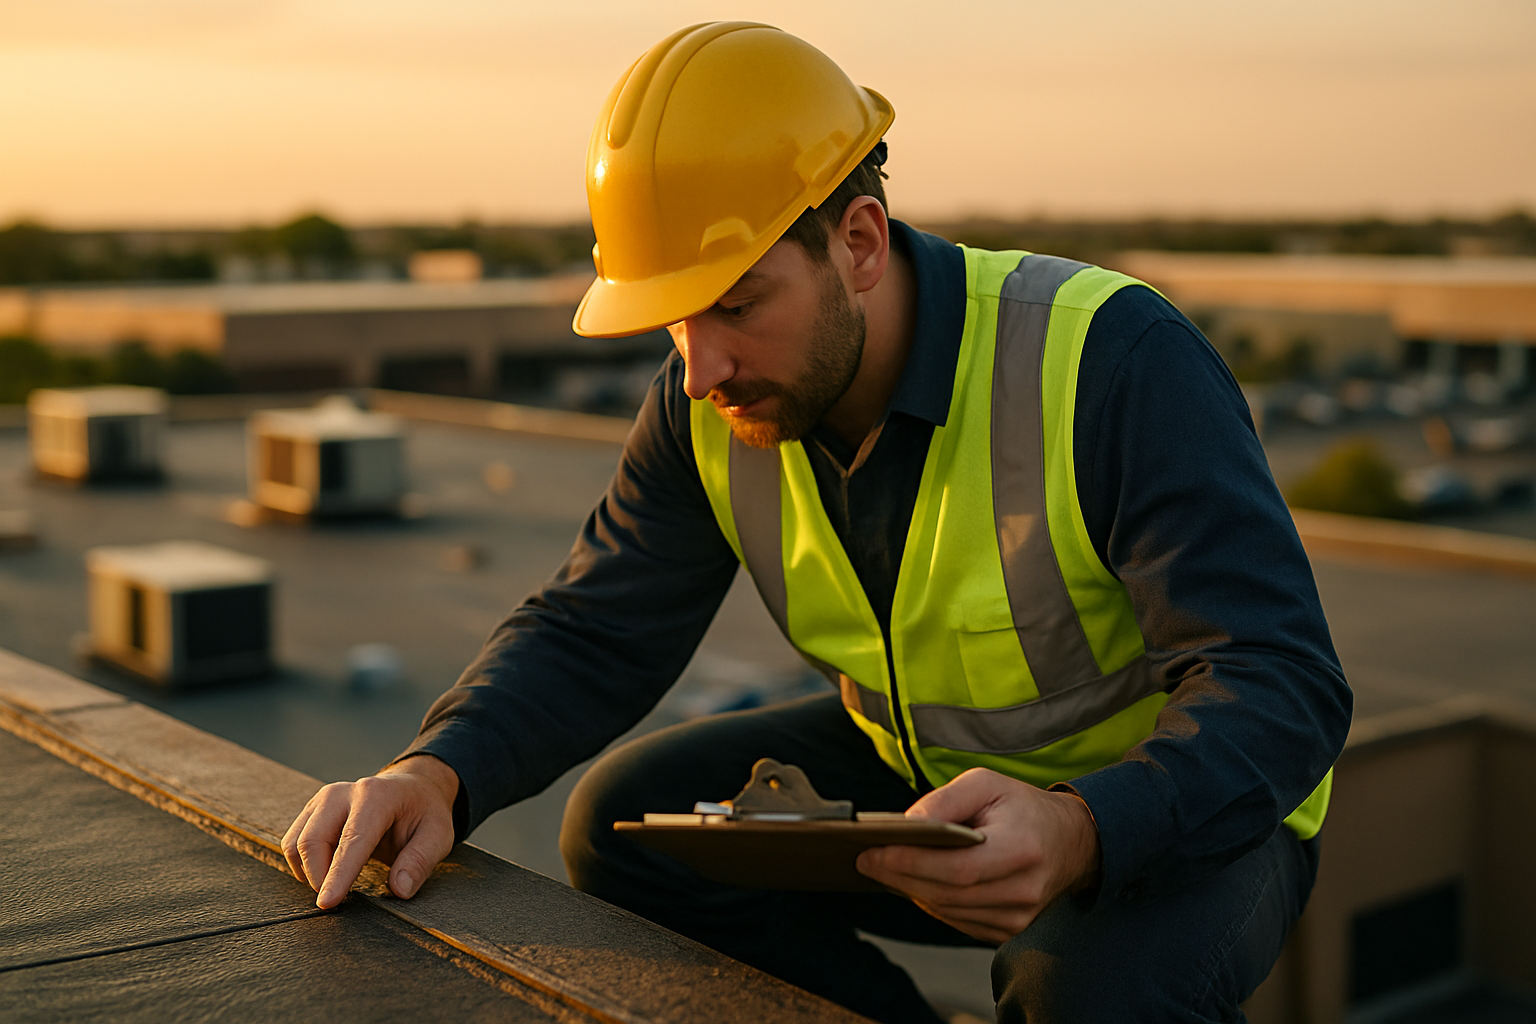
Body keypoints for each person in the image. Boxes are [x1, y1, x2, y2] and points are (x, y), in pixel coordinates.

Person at [283, 22, 1351, 1024]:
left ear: (861, 242)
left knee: (1086, 990)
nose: (701, 368)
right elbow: (596, 625)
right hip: (924, 776)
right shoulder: (706, 395)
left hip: (1177, 805)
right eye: (675, 318)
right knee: (625, 829)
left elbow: (1281, 681)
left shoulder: (1111, 361)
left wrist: (1084, 826)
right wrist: (437, 769)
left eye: (738, 304)